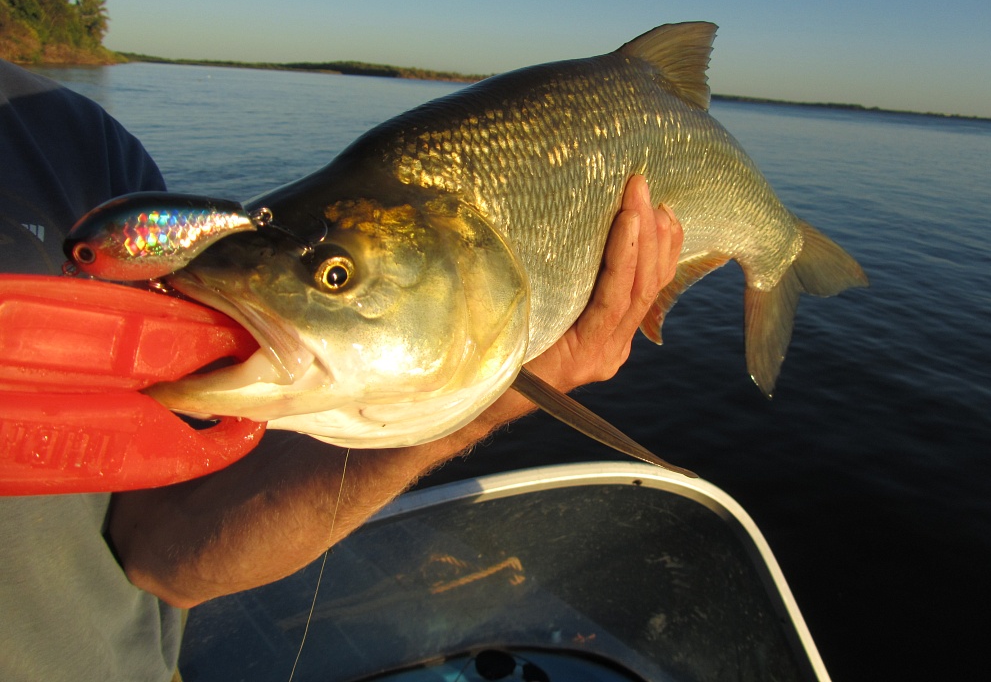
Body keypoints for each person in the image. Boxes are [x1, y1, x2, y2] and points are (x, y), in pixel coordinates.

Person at [0, 59, 683, 681]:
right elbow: (160, 556)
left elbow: (156, 549)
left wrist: (483, 399)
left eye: (336, 275)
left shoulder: (76, 147)